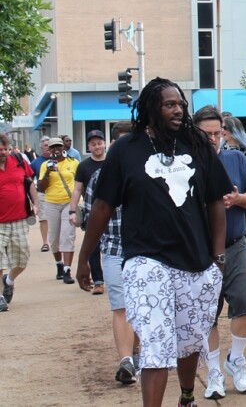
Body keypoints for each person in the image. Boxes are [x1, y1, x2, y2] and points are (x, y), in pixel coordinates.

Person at [75, 77, 231, 407]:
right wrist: (84, 257)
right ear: (151, 108)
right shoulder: (126, 149)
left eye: (181, 105)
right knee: (156, 343)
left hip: (196, 260)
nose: (178, 110)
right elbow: (103, 205)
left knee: (189, 342)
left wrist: (218, 257)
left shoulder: (198, 145)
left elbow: (216, 201)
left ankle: (186, 395)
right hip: (144, 259)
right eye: (169, 104)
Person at [194, 106, 246, 399]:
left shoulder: (235, 158)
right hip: (199, 252)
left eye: (216, 133)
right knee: (206, 315)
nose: (213, 138)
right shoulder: (184, 165)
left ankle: (235, 359)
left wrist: (237, 199)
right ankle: (213, 371)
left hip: (235, 244)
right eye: (206, 133)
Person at [82, 121, 140, 385]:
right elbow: (95, 218)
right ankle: (126, 360)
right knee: (121, 306)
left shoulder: (147, 171)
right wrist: (84, 259)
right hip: (115, 248)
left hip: (145, 250)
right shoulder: (99, 176)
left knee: (142, 307)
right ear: (114, 144)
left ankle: (137, 352)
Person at [0, 133, 39, 312]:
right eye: (0, 150)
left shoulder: (18, 161)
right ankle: (0, 297)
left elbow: (29, 183)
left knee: (23, 259)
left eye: (6, 149)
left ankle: (8, 281)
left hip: (20, 219)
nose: (3, 152)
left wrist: (36, 204)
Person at [69, 129, 108, 295]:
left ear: (104, 144)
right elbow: (77, 190)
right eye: (94, 144)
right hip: (92, 211)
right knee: (93, 246)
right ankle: (98, 281)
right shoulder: (83, 166)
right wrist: (72, 210)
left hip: (115, 211)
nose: (97, 146)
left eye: (99, 143)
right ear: (89, 147)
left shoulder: (113, 162)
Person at [38, 136, 79, 284]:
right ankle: (59, 265)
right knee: (54, 239)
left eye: (58, 146)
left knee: (67, 235)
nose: (56, 150)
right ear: (49, 150)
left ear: (63, 148)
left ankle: (68, 270)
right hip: (52, 202)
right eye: (53, 147)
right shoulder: (45, 165)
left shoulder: (73, 163)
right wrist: (48, 171)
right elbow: (41, 188)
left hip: (69, 202)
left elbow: (80, 183)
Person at [30, 136, 51, 252]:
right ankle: (45, 242)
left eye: (49, 145)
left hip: (57, 194)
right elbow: (29, 180)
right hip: (42, 194)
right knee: (43, 218)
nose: (47, 147)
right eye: (44, 145)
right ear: (41, 148)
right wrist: (33, 200)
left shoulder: (58, 159)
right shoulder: (35, 163)